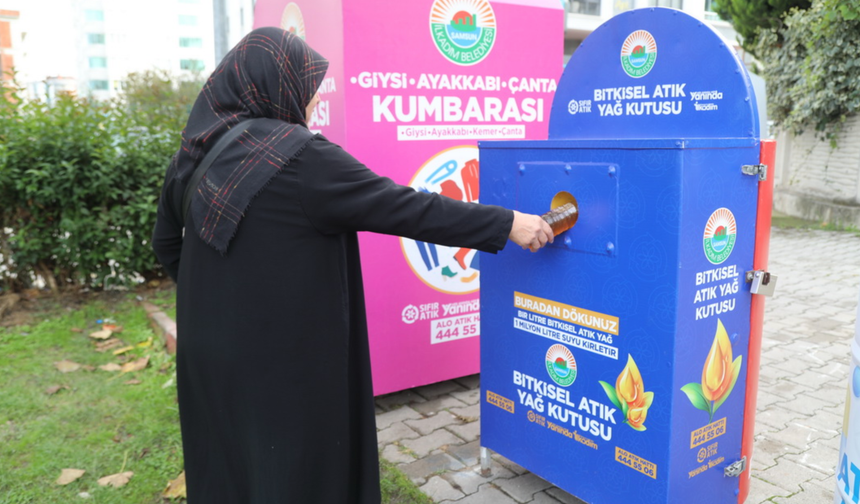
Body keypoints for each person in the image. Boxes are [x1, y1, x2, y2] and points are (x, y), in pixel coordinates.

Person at [152, 27, 553, 504]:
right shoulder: (301, 159)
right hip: (286, 361)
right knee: (296, 467)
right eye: (308, 95)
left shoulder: (194, 152)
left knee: (228, 459)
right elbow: (407, 207)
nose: (308, 109)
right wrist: (507, 223)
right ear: (278, 87)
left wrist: (217, 302)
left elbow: (166, 245)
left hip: (207, 351)